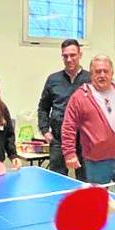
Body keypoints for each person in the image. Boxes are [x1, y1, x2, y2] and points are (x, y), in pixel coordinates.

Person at [61, 55, 115, 184]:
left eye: (105, 71)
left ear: (112, 73)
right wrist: (69, 153)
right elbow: (69, 126)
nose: (102, 75)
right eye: (98, 71)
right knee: (96, 200)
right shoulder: (80, 96)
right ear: (91, 74)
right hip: (96, 162)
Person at [38, 39, 90, 180]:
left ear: (80, 54)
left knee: (85, 183)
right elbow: (43, 107)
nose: (69, 59)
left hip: (85, 141)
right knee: (56, 181)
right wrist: (44, 130)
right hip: (58, 140)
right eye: (65, 56)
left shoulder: (91, 79)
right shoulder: (53, 79)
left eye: (73, 55)